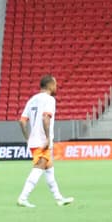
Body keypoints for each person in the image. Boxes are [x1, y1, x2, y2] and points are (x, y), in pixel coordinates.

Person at [17, 75, 74, 208]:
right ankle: (23, 197)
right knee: (39, 168)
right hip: (42, 141)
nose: (56, 86)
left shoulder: (32, 100)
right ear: (49, 85)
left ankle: (59, 198)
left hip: (34, 140)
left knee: (49, 169)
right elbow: (45, 119)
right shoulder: (49, 100)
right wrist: (48, 138)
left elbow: (22, 121)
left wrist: (27, 138)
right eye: (55, 84)